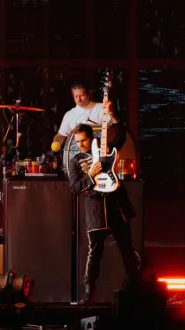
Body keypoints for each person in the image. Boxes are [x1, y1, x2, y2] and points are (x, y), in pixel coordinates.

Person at [68, 121, 139, 304]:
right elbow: (74, 188)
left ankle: (137, 287)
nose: (80, 145)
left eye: (83, 141)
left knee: (127, 248)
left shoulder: (106, 149)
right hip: (95, 209)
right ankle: (89, 292)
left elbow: (122, 135)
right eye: (77, 142)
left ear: (92, 138)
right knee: (95, 251)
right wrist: (90, 174)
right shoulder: (75, 161)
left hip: (115, 205)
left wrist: (115, 117)